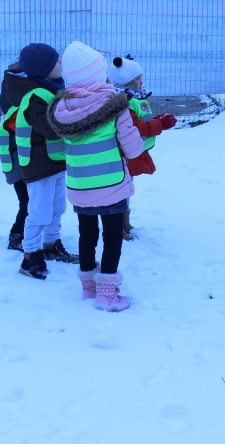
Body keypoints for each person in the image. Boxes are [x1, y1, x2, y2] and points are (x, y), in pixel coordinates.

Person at [49, 42, 156, 312]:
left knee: (87, 235)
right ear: (99, 73)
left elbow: (58, 149)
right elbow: (133, 148)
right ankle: (107, 294)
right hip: (111, 185)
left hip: (79, 186)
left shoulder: (62, 109)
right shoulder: (115, 105)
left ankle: (88, 287)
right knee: (112, 237)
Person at [1, 43, 78, 280]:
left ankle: (51, 245)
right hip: (39, 165)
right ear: (43, 69)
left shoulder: (51, 90)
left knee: (57, 208)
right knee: (40, 211)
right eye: (56, 61)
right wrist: (78, 119)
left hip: (55, 161)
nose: (61, 63)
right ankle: (30, 255)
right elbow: (50, 128)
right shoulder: (35, 96)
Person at [107, 54, 177, 239]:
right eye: (138, 78)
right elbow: (135, 128)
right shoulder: (125, 100)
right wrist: (160, 125)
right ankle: (119, 226)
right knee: (122, 189)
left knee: (127, 187)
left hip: (134, 151)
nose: (142, 81)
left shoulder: (136, 97)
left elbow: (143, 121)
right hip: (124, 152)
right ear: (128, 82)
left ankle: (125, 222)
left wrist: (159, 119)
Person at [0, 58, 31, 251]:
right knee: (27, 201)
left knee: (29, 201)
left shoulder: (14, 105)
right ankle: (16, 235)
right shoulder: (16, 114)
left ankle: (24, 233)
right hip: (18, 163)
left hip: (21, 162)